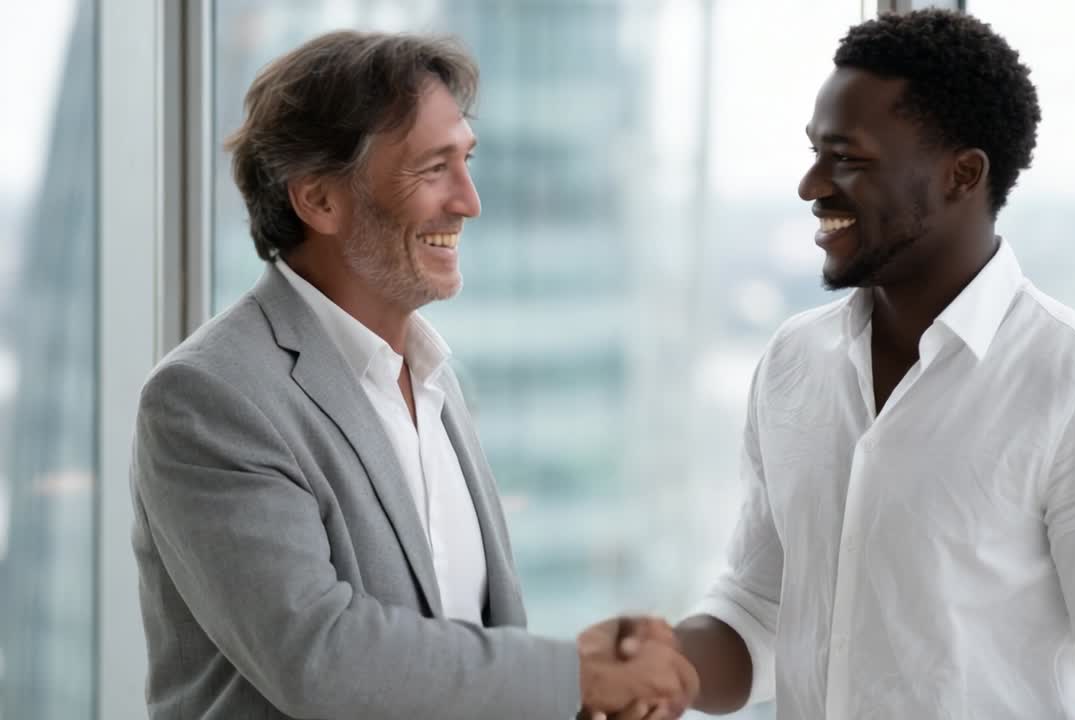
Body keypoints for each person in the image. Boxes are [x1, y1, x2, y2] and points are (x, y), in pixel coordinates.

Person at [616, 8, 1075, 720]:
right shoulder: (792, 363)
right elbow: (762, 607)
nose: (811, 184)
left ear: (961, 175)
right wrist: (659, 669)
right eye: (815, 151)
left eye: (849, 159)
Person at [130, 30, 696, 720]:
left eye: (467, 161)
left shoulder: (438, 383)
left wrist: (587, 692)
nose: (468, 201)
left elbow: (454, 649)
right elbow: (325, 660)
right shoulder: (209, 398)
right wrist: (572, 676)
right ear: (319, 201)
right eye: (432, 169)